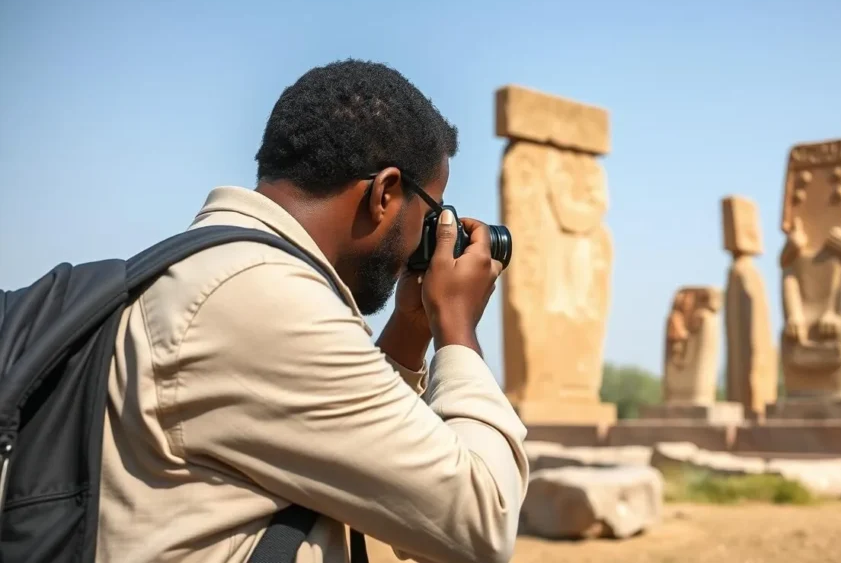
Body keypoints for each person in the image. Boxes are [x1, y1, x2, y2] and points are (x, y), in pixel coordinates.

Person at [96, 59, 529, 563]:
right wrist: (457, 330)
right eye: (434, 214)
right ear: (385, 194)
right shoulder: (264, 302)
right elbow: (481, 523)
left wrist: (413, 326)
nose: (431, 237)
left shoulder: (214, 270)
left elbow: (384, 467)